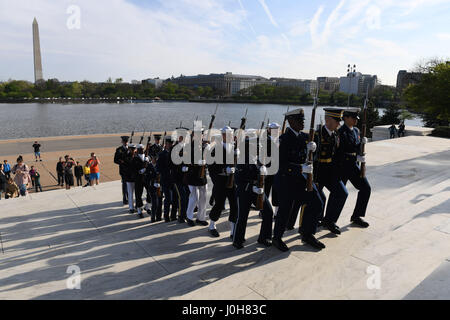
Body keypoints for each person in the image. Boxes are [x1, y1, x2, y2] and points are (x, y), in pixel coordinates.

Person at [272, 108, 325, 252]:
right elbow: (281, 165)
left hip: (302, 179)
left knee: (317, 203)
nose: (302, 123)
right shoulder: (282, 140)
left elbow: (311, 158)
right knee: (285, 210)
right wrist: (301, 168)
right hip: (286, 180)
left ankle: (307, 233)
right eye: (299, 121)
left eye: (303, 121)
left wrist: (314, 149)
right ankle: (277, 238)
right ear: (290, 122)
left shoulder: (305, 137)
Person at [233, 135, 274, 249]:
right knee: (242, 216)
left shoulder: (259, 159)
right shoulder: (242, 161)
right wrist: (251, 187)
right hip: (244, 192)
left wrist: (265, 173)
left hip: (258, 190)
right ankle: (238, 240)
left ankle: (264, 237)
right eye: (257, 147)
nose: (259, 148)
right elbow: (238, 180)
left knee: (268, 212)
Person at [313, 108, 348, 235]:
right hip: (318, 172)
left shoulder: (336, 134)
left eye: (339, 121)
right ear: (327, 120)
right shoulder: (317, 135)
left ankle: (330, 221)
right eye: (337, 121)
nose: (339, 124)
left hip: (330, 172)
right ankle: (311, 223)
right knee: (316, 199)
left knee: (342, 193)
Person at [337, 108, 371, 228]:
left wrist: (361, 146)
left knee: (366, 188)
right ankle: (330, 219)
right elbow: (340, 150)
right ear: (345, 118)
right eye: (353, 118)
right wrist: (356, 154)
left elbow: (355, 147)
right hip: (342, 166)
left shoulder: (356, 130)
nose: (355, 120)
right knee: (339, 194)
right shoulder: (341, 132)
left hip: (353, 166)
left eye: (356, 118)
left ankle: (357, 216)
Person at [207, 126, 238, 238]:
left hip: (233, 182)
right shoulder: (216, 150)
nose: (230, 137)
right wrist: (224, 170)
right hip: (221, 182)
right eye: (227, 134)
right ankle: (212, 225)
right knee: (219, 205)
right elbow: (211, 168)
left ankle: (233, 228)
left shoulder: (235, 149)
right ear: (223, 136)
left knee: (234, 205)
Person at [185, 132, 208, 227]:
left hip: (202, 177)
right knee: (194, 198)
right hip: (192, 176)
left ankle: (201, 218)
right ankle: (189, 217)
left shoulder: (205, 146)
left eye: (201, 134)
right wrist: (196, 163)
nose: (200, 136)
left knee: (203, 199)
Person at [157, 137, 178, 222]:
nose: (170, 145)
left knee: (175, 199)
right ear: (166, 144)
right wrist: (166, 172)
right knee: (168, 199)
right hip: (165, 180)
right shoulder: (162, 154)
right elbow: (158, 168)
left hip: (174, 179)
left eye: (172, 144)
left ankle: (173, 215)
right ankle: (166, 216)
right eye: (169, 144)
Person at [262, 122, 280, 218]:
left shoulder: (281, 140)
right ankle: (263, 210)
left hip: (277, 170)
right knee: (266, 191)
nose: (276, 131)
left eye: (277, 129)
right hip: (268, 169)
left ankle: (276, 212)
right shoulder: (265, 140)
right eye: (273, 129)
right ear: (269, 130)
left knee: (277, 191)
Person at [133, 144, 150, 218]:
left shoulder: (147, 158)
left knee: (150, 193)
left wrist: (148, 163)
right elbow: (133, 170)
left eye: (142, 149)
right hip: (138, 179)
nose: (141, 150)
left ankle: (147, 207)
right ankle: (139, 210)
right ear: (137, 150)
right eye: (140, 149)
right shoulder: (134, 159)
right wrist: (140, 171)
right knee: (138, 195)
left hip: (146, 179)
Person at [114, 136, 130, 205]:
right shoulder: (119, 150)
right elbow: (115, 160)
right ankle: (125, 198)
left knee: (130, 185)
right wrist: (121, 162)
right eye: (124, 141)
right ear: (122, 142)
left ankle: (129, 197)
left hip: (130, 170)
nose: (125, 143)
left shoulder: (130, 149)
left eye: (126, 142)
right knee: (124, 184)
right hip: (123, 170)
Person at [124, 144, 137, 213]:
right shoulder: (127, 157)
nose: (133, 151)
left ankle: (136, 206)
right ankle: (131, 208)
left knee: (137, 193)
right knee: (130, 193)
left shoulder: (135, 156)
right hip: (129, 178)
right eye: (132, 149)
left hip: (135, 178)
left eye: (134, 149)